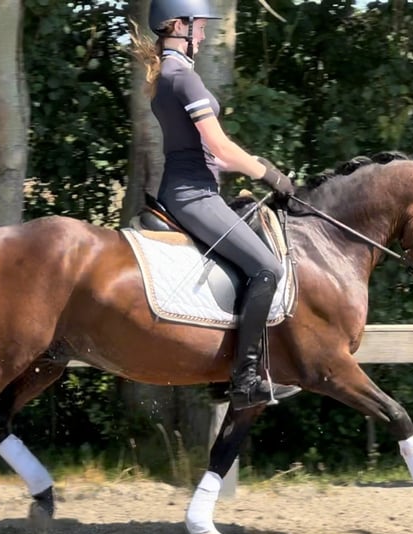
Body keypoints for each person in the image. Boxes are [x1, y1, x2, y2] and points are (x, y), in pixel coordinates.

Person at [131, 0, 301, 410]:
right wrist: (269, 174)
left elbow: (218, 155)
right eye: (199, 28)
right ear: (177, 26)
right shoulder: (182, 79)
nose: (204, 36)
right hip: (193, 195)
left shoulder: (172, 75)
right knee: (267, 268)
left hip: (194, 189)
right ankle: (243, 380)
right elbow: (220, 148)